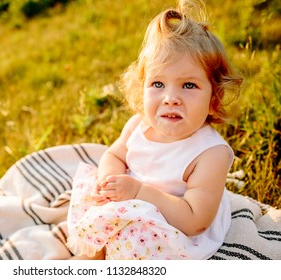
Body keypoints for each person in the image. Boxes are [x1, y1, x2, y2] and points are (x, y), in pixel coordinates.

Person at [66, 0, 243, 260]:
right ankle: (95, 254)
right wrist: (109, 182)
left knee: (134, 243)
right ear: (142, 87)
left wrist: (138, 192)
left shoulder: (210, 153)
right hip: (130, 199)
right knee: (90, 199)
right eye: (158, 83)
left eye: (189, 86)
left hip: (174, 224)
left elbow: (195, 221)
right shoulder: (139, 125)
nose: (170, 98)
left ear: (214, 98)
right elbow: (114, 156)